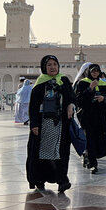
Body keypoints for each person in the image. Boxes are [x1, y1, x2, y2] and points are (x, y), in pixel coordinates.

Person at [26, 55, 76, 192]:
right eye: (49, 65)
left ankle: (62, 181)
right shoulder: (40, 83)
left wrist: (71, 105)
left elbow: (71, 96)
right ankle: (39, 179)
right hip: (44, 125)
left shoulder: (63, 80)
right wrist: (34, 124)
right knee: (42, 153)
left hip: (61, 124)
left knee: (61, 154)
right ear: (44, 68)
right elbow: (33, 106)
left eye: (55, 64)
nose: (53, 67)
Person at [76, 64, 106, 173]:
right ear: (89, 72)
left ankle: (89, 158)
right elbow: (79, 100)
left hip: (100, 117)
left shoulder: (103, 84)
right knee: (89, 139)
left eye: (97, 71)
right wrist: (90, 88)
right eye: (93, 71)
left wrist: (104, 99)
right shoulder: (83, 83)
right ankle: (92, 163)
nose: (95, 73)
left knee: (97, 139)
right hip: (87, 116)